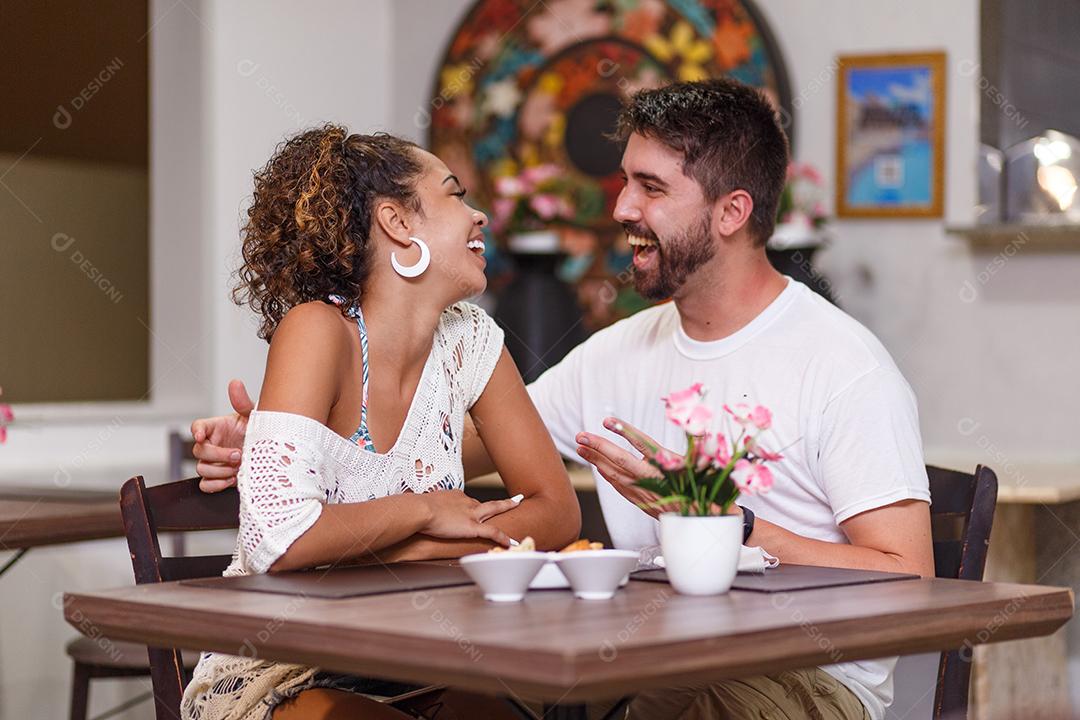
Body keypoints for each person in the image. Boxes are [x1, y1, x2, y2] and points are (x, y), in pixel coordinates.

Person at [194, 79, 933, 720]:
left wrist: (727, 526)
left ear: (731, 213)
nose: (619, 209)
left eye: (650, 188)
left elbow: (911, 581)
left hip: (797, 673)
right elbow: (433, 452)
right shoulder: (614, 354)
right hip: (647, 663)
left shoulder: (842, 364)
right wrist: (291, 446)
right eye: (624, 181)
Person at [181, 125, 580, 720]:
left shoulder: (471, 341)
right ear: (398, 223)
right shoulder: (316, 330)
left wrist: (408, 548)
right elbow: (280, 539)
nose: (479, 218)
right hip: (286, 663)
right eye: (455, 195)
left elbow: (556, 511)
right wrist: (426, 509)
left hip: (422, 656)